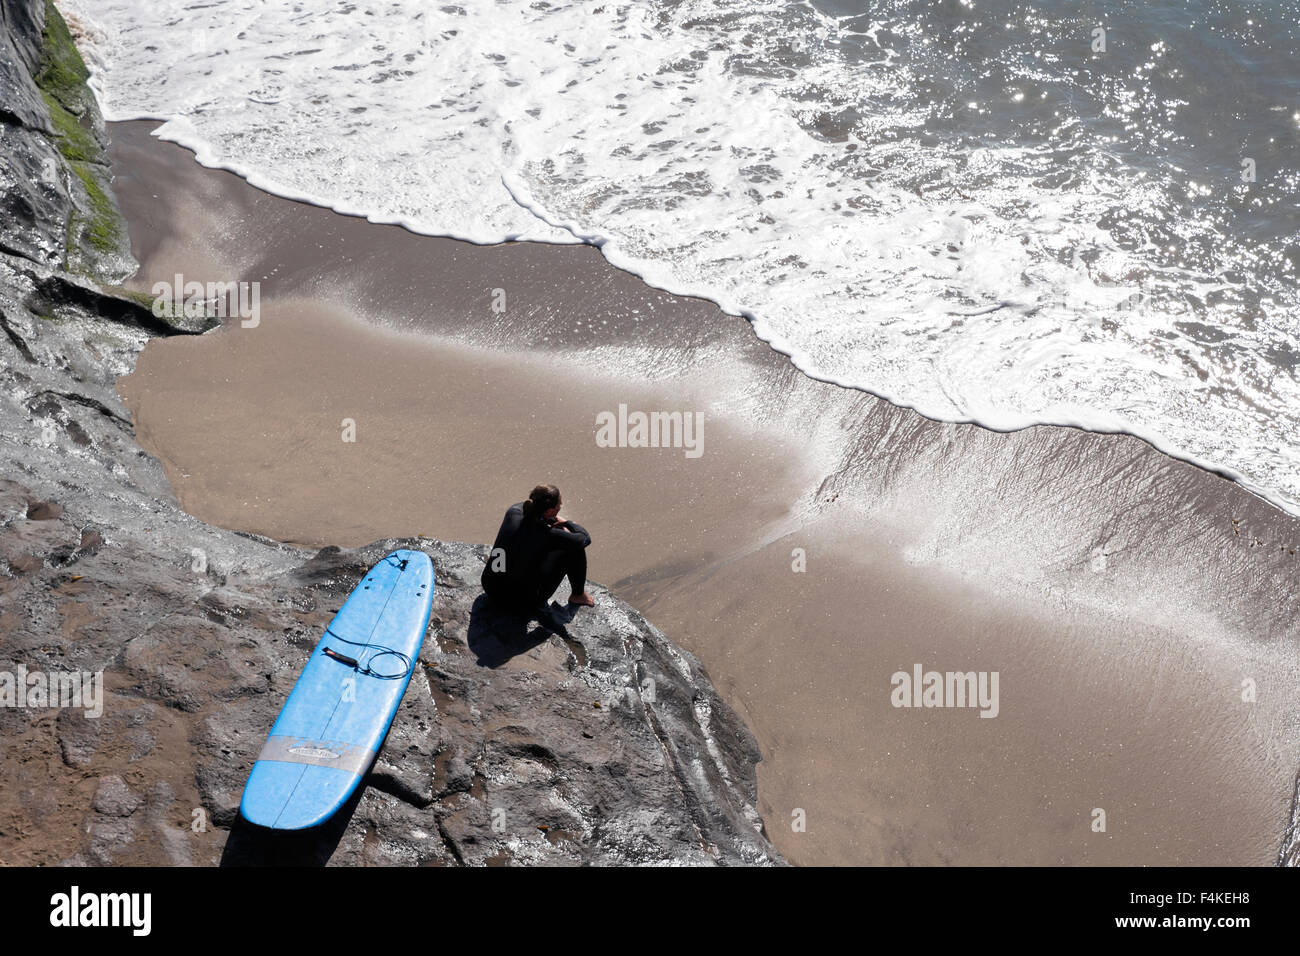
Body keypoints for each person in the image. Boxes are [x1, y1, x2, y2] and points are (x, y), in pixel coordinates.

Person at [481, 484, 595, 611]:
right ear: (550, 511)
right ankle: (578, 595)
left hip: (490, 587)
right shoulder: (548, 534)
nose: (560, 506)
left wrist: (550, 519)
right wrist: (567, 523)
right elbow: (584, 539)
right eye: (559, 505)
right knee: (574, 548)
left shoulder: (514, 511)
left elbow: (532, 524)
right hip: (519, 603)